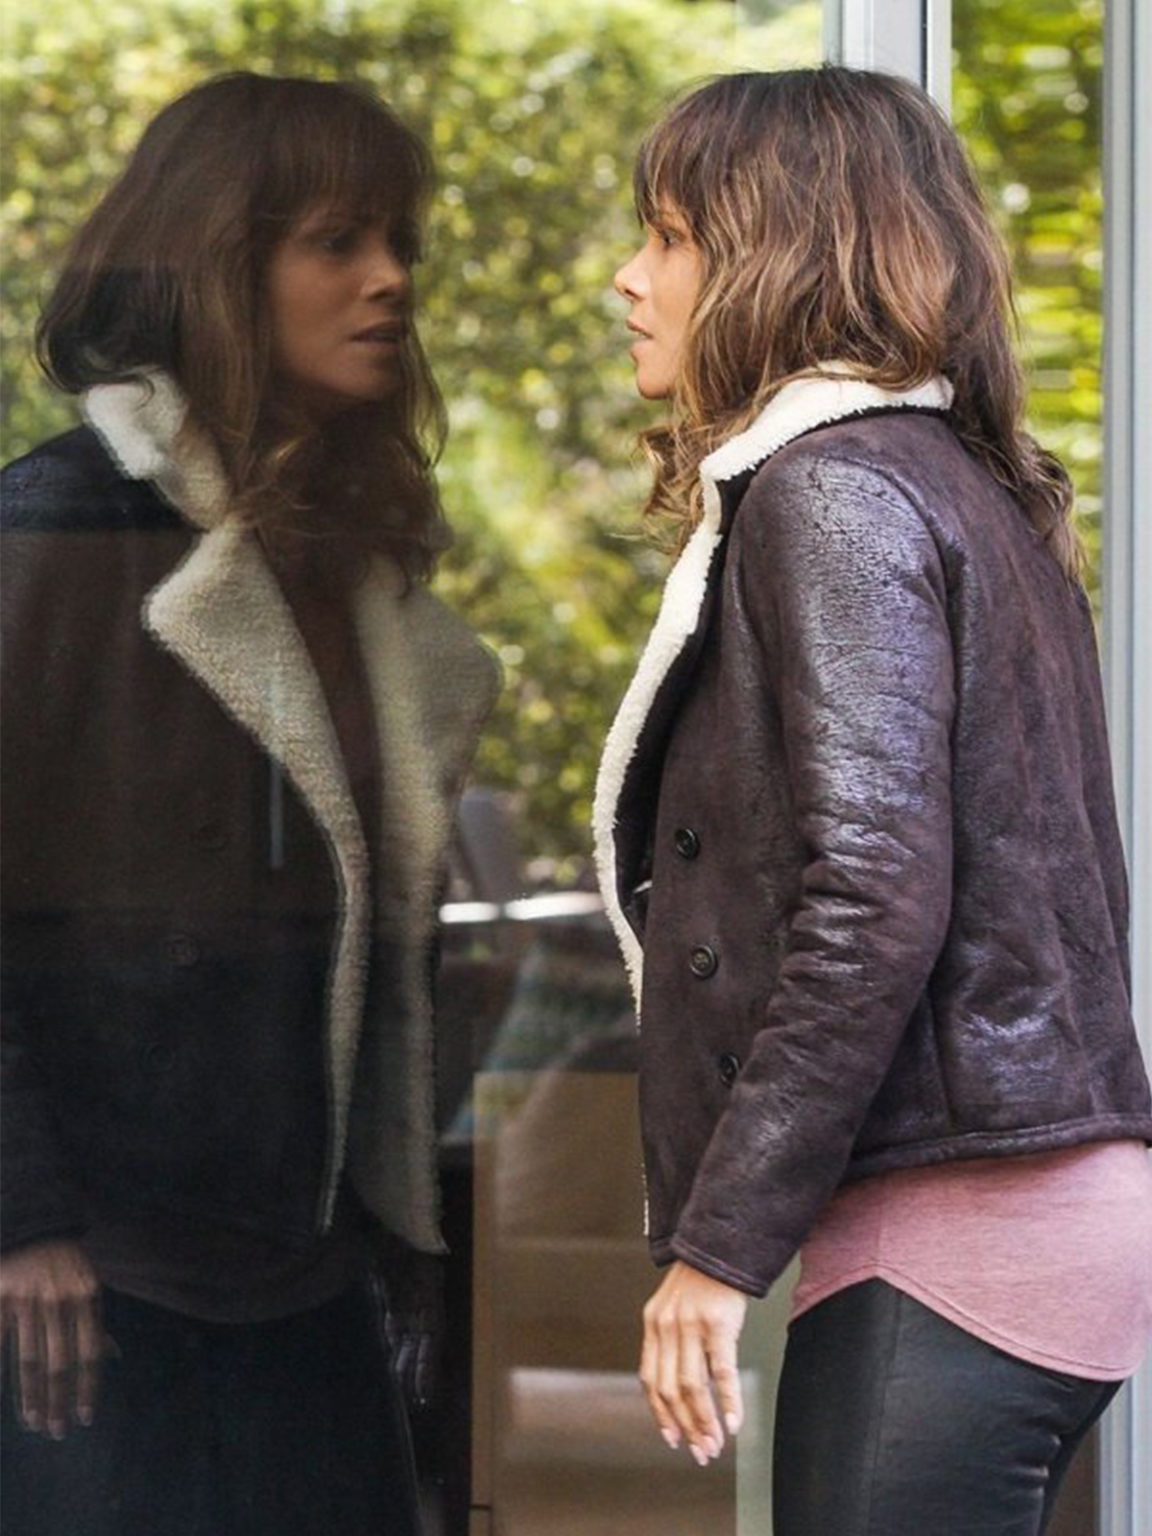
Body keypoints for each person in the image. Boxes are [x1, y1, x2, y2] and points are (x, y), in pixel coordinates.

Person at [594, 67, 1152, 1535]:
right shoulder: (968, 485)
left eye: (669, 238)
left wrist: (716, 1249)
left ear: (777, 259)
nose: (629, 279)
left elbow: (874, 894)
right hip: (1022, 1206)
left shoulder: (830, 493)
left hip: (959, 1226)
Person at [0, 72, 499, 1536]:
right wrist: (18, 1220)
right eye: (338, 242)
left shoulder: (353, 567)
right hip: (90, 1283)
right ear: (217, 268)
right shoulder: (60, 527)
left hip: (305, 1278)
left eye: (400, 241)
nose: (390, 280)